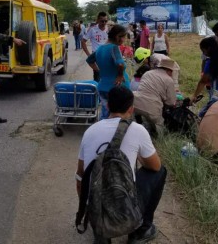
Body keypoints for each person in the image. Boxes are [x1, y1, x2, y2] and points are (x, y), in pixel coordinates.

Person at [76, 86, 167, 244]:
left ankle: (102, 230)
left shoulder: (90, 131)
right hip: (124, 206)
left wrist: (90, 209)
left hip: (97, 208)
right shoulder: (138, 130)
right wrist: (138, 156)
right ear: (131, 109)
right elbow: (156, 167)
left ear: (107, 106)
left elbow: (80, 176)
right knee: (160, 172)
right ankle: (141, 229)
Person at [86, 24, 130, 119]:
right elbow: (120, 64)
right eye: (123, 37)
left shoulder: (100, 48)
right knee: (118, 117)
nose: (124, 40)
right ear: (117, 36)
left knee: (105, 114)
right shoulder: (114, 48)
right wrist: (119, 75)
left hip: (103, 87)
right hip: (116, 89)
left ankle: (102, 131)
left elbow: (89, 60)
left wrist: (99, 70)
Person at [133, 58, 180, 135]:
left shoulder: (148, 73)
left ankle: (139, 127)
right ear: (169, 70)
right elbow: (171, 102)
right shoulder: (168, 80)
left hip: (136, 103)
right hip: (152, 107)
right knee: (159, 125)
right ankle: (158, 141)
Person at [82, 11, 109, 81]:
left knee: (107, 77)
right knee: (97, 77)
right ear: (98, 20)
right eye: (102, 21)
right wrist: (88, 54)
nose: (104, 23)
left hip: (107, 56)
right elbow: (83, 41)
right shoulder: (92, 29)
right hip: (96, 56)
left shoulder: (109, 29)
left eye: (105, 21)